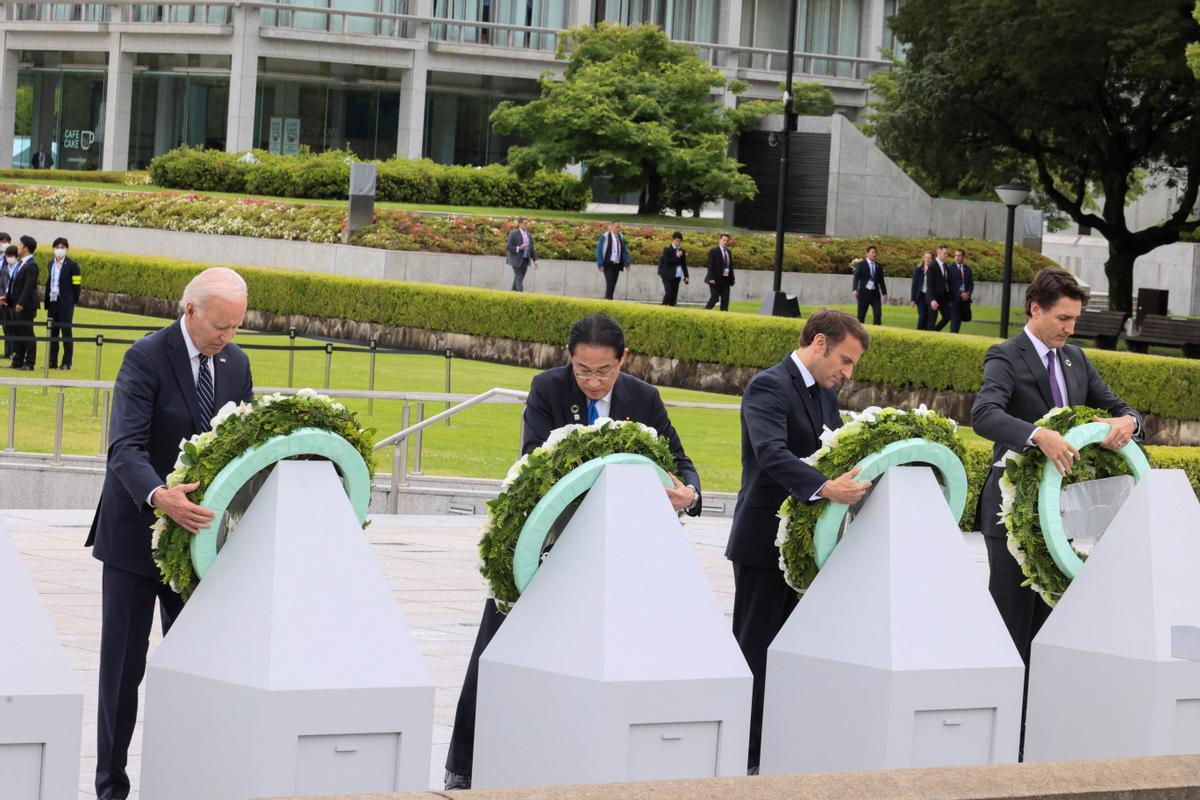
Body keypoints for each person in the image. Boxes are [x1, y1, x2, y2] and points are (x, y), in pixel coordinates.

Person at [445, 312, 703, 791]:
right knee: (497, 643)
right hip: (546, 545)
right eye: (583, 370)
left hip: (616, 551)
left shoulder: (642, 398)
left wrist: (689, 491)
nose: (592, 381)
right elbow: (533, 457)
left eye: (604, 371)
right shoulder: (548, 388)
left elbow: (680, 460)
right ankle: (467, 764)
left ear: (623, 360)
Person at [87, 268, 254, 800]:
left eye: (236, 327)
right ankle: (110, 787)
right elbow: (124, 449)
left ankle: (185, 781)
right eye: (221, 326)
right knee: (122, 674)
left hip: (199, 544)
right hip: (137, 538)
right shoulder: (145, 357)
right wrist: (162, 498)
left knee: (196, 669)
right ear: (190, 311)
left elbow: (243, 444)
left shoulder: (237, 363)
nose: (228, 337)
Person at [971, 269, 1141, 750]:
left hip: (1062, 513)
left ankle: (1036, 728)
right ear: (1036, 310)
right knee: (1012, 615)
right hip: (1011, 512)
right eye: (1063, 319)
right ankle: (999, 727)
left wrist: (1127, 421)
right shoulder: (1004, 356)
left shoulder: (1077, 361)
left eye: (1075, 320)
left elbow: (1122, 408)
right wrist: (1037, 434)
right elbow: (984, 414)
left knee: (1053, 618)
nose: (1070, 328)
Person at [725, 309, 873, 773]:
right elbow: (771, 453)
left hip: (809, 543)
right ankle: (743, 753)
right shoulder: (768, 385)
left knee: (793, 650)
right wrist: (826, 487)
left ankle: (780, 746)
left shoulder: (826, 393)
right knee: (756, 648)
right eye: (845, 361)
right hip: (763, 540)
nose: (847, 373)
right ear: (819, 343)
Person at [45, 236, 82, 369]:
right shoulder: (51, 263)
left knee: (66, 331)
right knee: (52, 331)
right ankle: (52, 361)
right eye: (57, 247)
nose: (59, 250)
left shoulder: (73, 266)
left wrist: (73, 301)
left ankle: (67, 362)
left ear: (67, 249)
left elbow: (77, 285)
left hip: (66, 302)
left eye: (62, 247)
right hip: (53, 300)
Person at [7, 235, 40, 370]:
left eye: (20, 245)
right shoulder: (21, 263)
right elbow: (14, 283)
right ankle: (18, 360)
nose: (18, 247)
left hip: (25, 306)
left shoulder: (32, 265)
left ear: (25, 248)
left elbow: (29, 287)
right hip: (15, 305)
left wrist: (21, 303)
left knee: (27, 333)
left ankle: (30, 362)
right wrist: (8, 299)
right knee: (17, 332)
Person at [851, 244, 888, 325]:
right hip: (863, 293)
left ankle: (877, 330)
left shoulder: (878, 266)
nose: (874, 254)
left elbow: (881, 280)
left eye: (875, 253)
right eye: (872, 252)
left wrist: (884, 293)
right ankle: (860, 333)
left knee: (878, 313)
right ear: (867, 254)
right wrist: (854, 289)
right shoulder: (861, 264)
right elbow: (856, 277)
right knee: (861, 315)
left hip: (875, 294)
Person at [594, 221, 629, 300]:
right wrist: (600, 264)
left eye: (619, 227)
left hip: (617, 264)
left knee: (612, 286)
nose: (618, 229)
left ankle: (608, 301)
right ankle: (608, 302)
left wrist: (627, 263)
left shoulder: (621, 237)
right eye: (617, 227)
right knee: (610, 284)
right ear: (612, 227)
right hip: (608, 264)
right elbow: (599, 250)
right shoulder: (605, 236)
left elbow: (624, 251)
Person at [504, 218, 538, 292]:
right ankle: (521, 296)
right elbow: (508, 247)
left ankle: (513, 293)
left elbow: (531, 249)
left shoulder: (529, 235)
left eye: (527, 223)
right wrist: (519, 248)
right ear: (520, 224)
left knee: (519, 278)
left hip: (525, 260)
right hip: (515, 260)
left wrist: (535, 260)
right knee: (519, 277)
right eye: (525, 223)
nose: (526, 225)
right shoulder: (513, 234)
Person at [705, 233, 736, 311]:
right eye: (724, 240)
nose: (725, 242)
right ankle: (705, 311)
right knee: (715, 298)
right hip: (715, 280)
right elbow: (710, 266)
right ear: (720, 240)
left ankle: (723, 317)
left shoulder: (728, 252)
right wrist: (711, 278)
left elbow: (730, 266)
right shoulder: (713, 251)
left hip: (726, 280)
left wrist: (732, 279)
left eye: (727, 240)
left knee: (725, 301)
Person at [658, 232, 688, 306]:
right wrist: (677, 256)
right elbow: (667, 261)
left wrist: (686, 276)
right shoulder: (667, 249)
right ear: (673, 240)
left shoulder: (682, 251)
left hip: (677, 275)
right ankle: (662, 307)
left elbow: (684, 264)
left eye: (680, 241)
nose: (678, 243)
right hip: (667, 274)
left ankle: (671, 309)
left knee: (674, 295)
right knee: (669, 293)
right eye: (677, 241)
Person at [949, 248, 974, 333]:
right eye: (955, 255)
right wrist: (960, 294)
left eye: (959, 256)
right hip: (954, 300)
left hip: (965, 301)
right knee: (955, 323)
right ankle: (953, 339)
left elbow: (971, 284)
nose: (957, 257)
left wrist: (968, 294)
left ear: (963, 257)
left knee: (962, 320)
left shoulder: (967, 269)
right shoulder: (950, 268)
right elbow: (949, 285)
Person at [930, 244, 954, 331]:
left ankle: (935, 332)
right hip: (934, 298)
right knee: (931, 321)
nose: (946, 255)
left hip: (943, 298)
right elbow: (930, 284)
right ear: (938, 252)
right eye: (945, 253)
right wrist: (932, 300)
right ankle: (929, 337)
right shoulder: (932, 266)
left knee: (948, 316)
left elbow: (946, 282)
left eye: (947, 253)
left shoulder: (945, 266)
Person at [910, 249, 933, 330]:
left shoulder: (934, 270)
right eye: (926, 257)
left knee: (929, 317)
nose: (928, 259)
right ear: (923, 258)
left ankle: (926, 333)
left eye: (929, 258)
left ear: (932, 259)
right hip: (921, 296)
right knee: (922, 315)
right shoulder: (918, 270)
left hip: (930, 296)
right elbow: (914, 285)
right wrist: (913, 299)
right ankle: (919, 332)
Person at [0, 233, 13, 361]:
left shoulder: (9, 259)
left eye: (6, 241)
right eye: (2, 241)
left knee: (7, 326)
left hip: (4, 299)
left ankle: (8, 352)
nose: (4, 244)